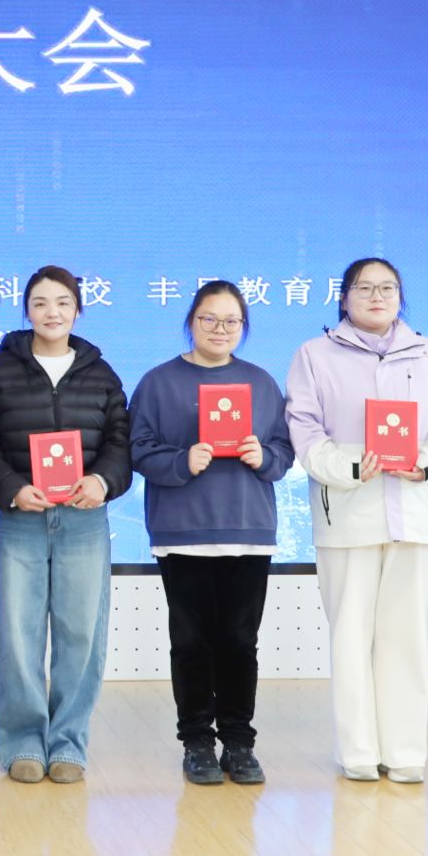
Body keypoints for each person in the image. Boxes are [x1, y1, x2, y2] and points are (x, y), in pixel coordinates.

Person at [285, 257, 428, 783]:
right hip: (348, 515)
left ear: (400, 297)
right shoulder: (315, 355)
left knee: (405, 637)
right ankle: (358, 752)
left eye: (387, 288)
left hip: (414, 512)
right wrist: (349, 467)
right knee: (351, 638)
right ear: (343, 297)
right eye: (364, 288)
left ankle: (406, 751)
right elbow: (304, 428)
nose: (376, 296)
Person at [129, 279, 294, 786]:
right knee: (191, 643)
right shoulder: (158, 382)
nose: (220, 329)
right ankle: (197, 743)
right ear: (191, 321)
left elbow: (285, 451)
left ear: (243, 327)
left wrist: (264, 456)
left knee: (241, 643)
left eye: (231, 321)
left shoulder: (261, 382)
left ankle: (240, 744)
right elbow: (137, 449)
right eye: (209, 319)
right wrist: (182, 460)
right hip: (183, 532)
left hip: (248, 530)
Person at [0, 265, 132, 786]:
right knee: (19, 634)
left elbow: (120, 444)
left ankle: (68, 743)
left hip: (84, 520)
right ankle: (22, 741)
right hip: (21, 518)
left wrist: (102, 481)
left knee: (81, 633)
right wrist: (12, 488)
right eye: (40, 302)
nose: (52, 312)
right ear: (27, 310)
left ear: (77, 310)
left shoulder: (101, 375)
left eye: (63, 302)